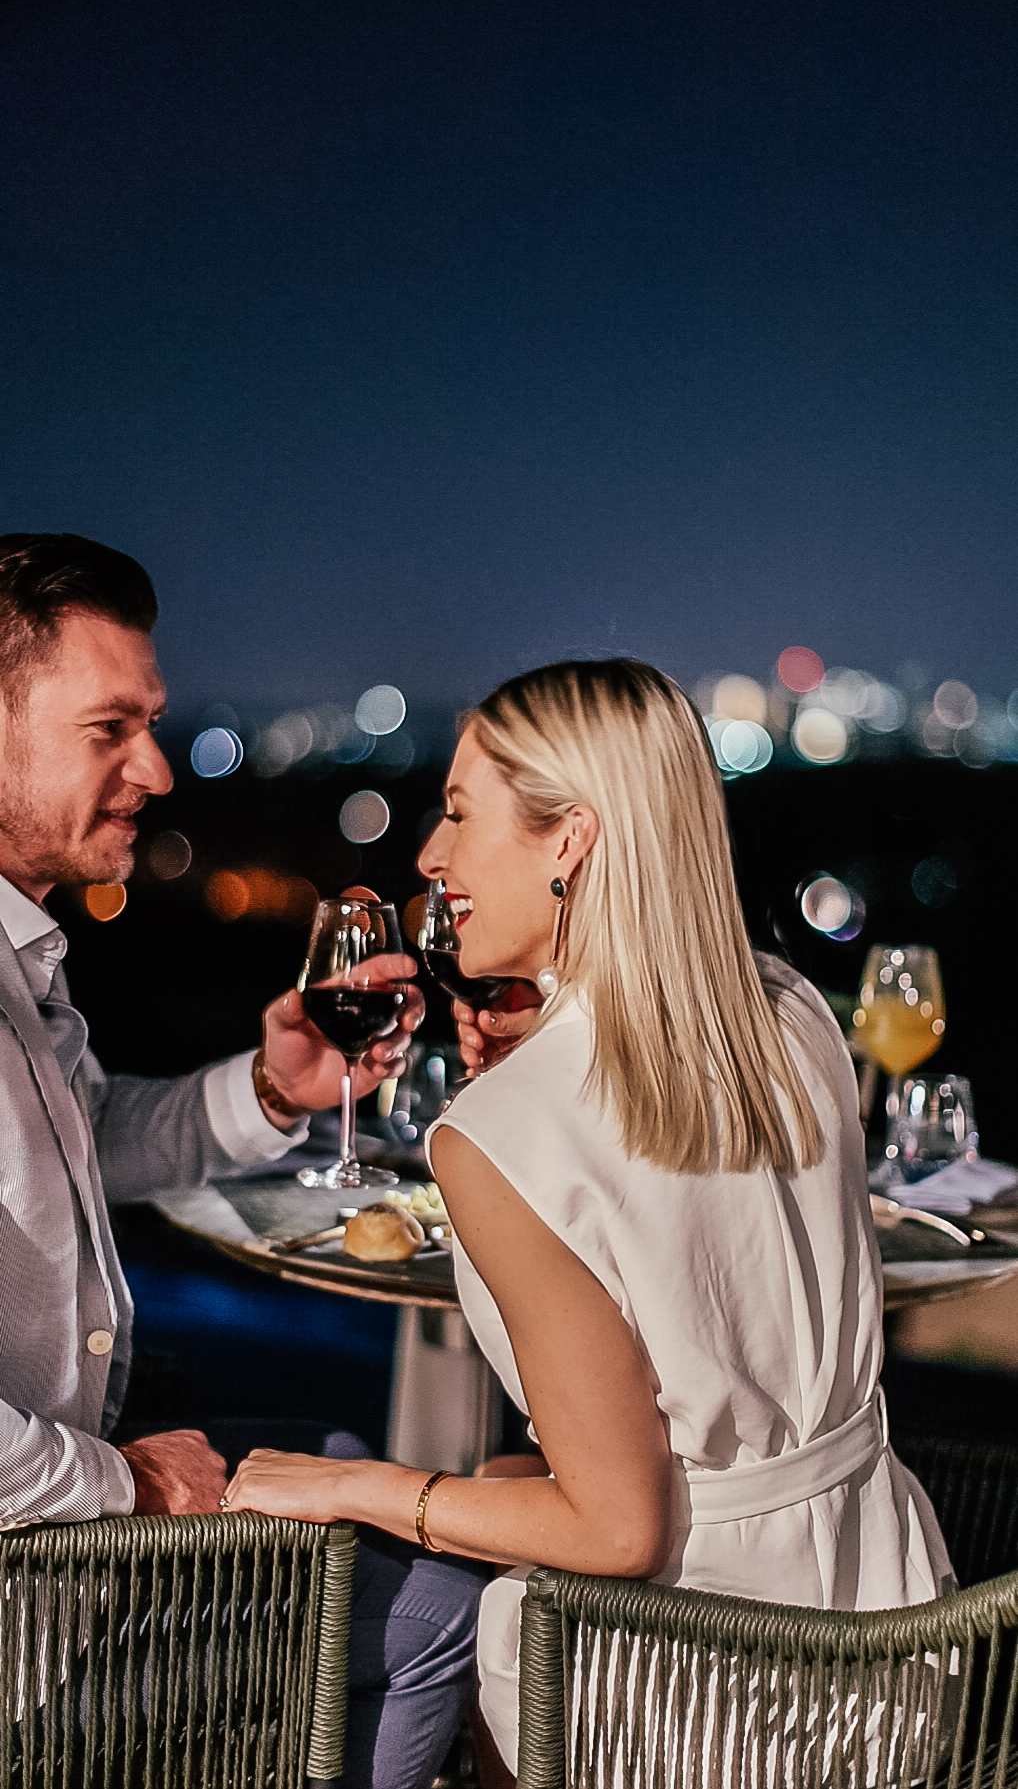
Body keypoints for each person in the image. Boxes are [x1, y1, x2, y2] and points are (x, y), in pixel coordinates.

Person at [227, 657, 953, 1780]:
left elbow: (620, 1534)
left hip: (690, 1691)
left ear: (570, 839)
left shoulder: (496, 1136)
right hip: (894, 1638)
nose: (430, 857)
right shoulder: (794, 1008)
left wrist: (351, 1485)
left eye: (459, 815)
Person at [0, 533, 485, 1789]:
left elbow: (73, 1148)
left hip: (64, 1531)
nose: (156, 769)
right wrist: (126, 1489)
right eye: (110, 728)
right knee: (451, 1604)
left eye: (150, 725)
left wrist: (272, 1089)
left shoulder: (22, 962)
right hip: (27, 1623)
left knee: (341, 1456)